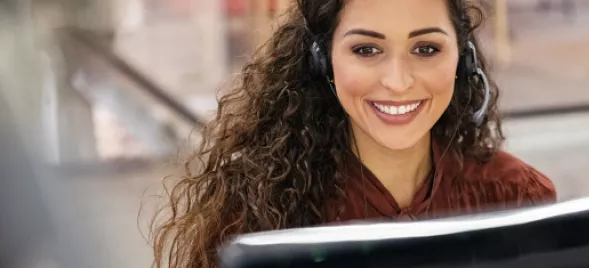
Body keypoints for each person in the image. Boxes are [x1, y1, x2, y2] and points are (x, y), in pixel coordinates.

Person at [151, 0, 557, 267]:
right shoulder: (257, 207)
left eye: (426, 49)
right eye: (366, 50)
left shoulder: (517, 195)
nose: (398, 82)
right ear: (322, 62)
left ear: (461, 59)